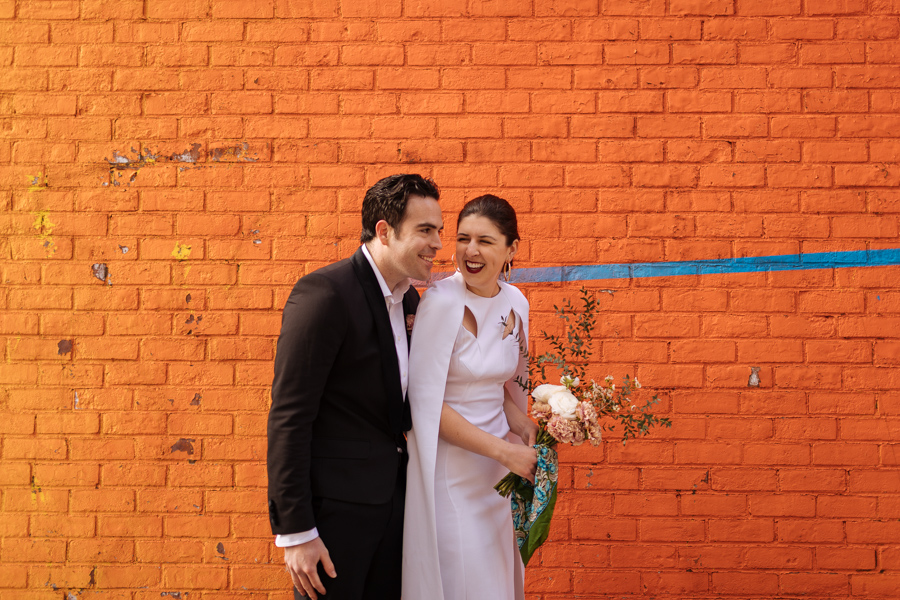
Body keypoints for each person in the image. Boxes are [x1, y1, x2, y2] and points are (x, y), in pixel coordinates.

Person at [267, 174, 443, 600]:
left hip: (395, 513)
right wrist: (296, 530)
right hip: (333, 522)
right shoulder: (325, 294)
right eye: (425, 230)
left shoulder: (411, 302)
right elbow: (290, 417)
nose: (437, 242)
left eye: (437, 230)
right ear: (384, 230)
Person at [402, 195, 538, 600]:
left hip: (497, 476)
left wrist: (522, 422)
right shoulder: (441, 303)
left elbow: (498, 385)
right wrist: (503, 451)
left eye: (485, 241)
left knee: (494, 582)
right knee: (464, 580)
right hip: (453, 475)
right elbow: (424, 404)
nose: (471, 251)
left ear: (511, 249)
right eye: (463, 239)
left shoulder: (517, 303)